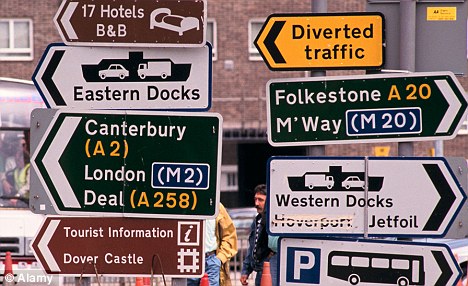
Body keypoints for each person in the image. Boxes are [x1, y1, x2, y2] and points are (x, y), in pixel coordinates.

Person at [187, 203, 238, 286]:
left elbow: (229, 234)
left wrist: (220, 258)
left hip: (210, 261)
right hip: (187, 260)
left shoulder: (216, 205)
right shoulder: (183, 203)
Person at [240, 184, 277, 286]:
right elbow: (252, 247)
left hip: (271, 268)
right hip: (261, 269)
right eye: (255, 199)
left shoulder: (276, 221)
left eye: (260, 200)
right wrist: (245, 271)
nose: (256, 203)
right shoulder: (257, 220)